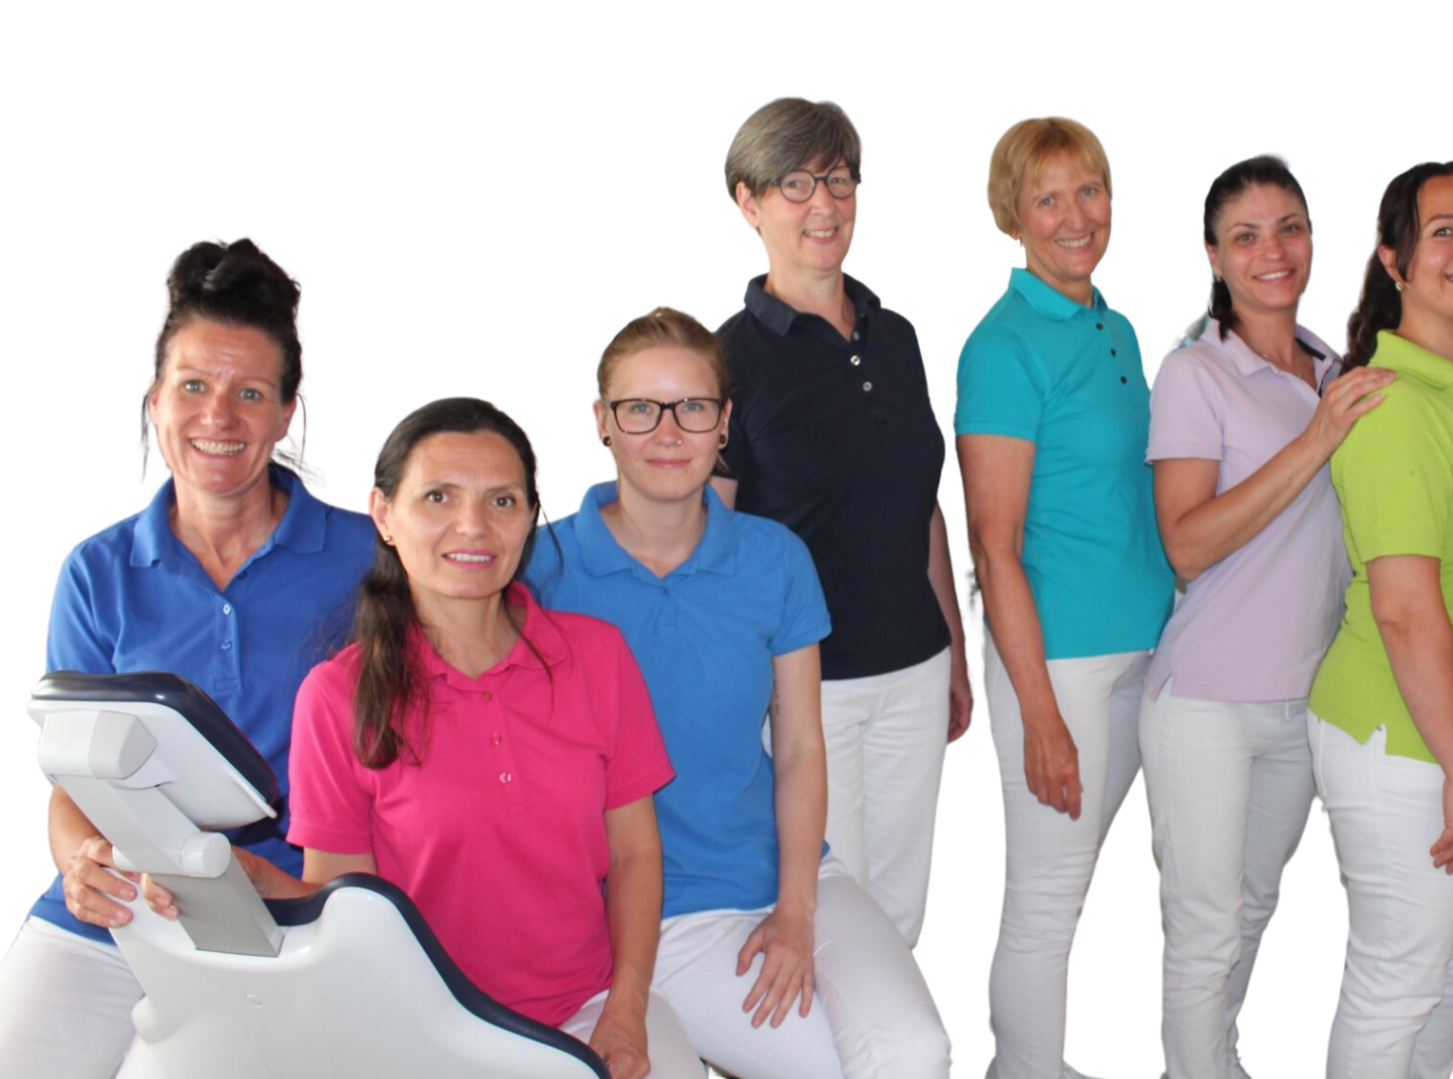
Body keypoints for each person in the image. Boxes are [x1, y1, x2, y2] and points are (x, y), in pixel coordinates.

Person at [142, 397, 679, 1079]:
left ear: (529, 519)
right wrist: (247, 881)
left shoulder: (598, 657)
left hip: (590, 1008)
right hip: (419, 1025)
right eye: (438, 497)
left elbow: (635, 854)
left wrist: (626, 1009)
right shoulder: (337, 696)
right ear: (384, 514)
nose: (473, 525)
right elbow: (346, 904)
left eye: (503, 500)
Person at [528, 307, 950, 1079]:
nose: (667, 431)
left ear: (724, 422)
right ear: (602, 421)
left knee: (914, 1053)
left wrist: (795, 909)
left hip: (790, 874)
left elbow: (799, 748)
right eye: (640, 407)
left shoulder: (773, 556)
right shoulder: (543, 569)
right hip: (657, 912)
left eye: (692, 407)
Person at [0, 240, 376, 1079]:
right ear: (155, 398)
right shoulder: (97, 571)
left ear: (286, 412)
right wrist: (79, 862)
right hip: (117, 907)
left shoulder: (368, 559)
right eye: (195, 386)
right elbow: (73, 780)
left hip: (276, 915)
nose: (220, 417)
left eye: (251, 393)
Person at [1141, 155, 1394, 1079]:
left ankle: (1209, 1062)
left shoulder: (1336, 366)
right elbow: (1185, 543)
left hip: (1304, 704)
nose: (1272, 250)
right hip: (1206, 700)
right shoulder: (1195, 373)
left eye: (1288, 227)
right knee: (1204, 927)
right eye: (1245, 236)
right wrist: (1317, 436)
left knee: (1248, 910)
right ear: (1214, 255)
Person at [715, 97, 971, 947]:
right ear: (749, 203)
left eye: (838, 180)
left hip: (914, 668)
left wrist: (953, 647)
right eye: (795, 184)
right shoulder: (726, 358)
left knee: (898, 918)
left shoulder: (896, 337)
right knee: (828, 920)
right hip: (805, 688)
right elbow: (714, 544)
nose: (823, 204)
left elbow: (919, 500)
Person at [1305, 162, 1453, 1079]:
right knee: (1397, 987)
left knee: (1451, 973)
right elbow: (1404, 610)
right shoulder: (1393, 403)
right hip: (1409, 747)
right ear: (1394, 262)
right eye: (1441, 231)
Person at [955, 116, 1174, 1079]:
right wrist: (1039, 714)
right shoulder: (1002, 347)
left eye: (1088, 190)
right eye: (1047, 198)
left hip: (1146, 650)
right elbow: (993, 546)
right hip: (1061, 663)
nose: (1075, 215)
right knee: (1045, 899)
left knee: (1079, 887)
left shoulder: (1113, 328)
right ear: (1012, 216)